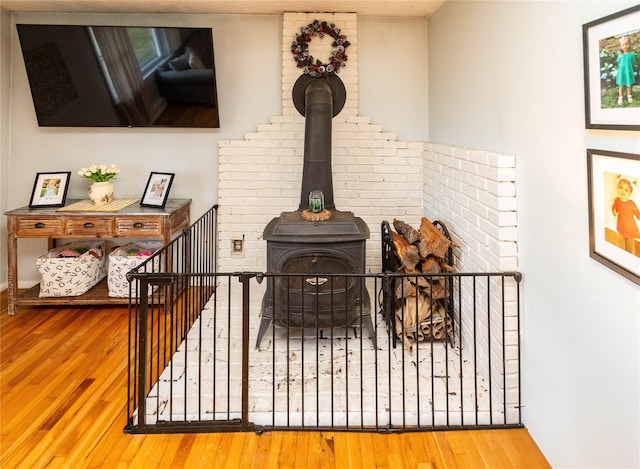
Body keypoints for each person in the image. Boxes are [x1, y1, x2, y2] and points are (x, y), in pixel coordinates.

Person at [612, 176, 640, 254]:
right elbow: (614, 207)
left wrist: (639, 216)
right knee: (622, 239)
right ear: (617, 187)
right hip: (621, 225)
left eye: (626, 190)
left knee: (631, 243)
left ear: (630, 193)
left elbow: (637, 213)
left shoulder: (631, 203)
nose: (623, 191)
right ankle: (623, 253)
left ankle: (630, 255)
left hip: (630, 227)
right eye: (621, 187)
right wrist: (614, 212)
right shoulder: (617, 200)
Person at [616, 36, 636, 106]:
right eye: (623, 45)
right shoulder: (620, 55)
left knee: (628, 85)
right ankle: (620, 97)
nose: (625, 46)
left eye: (626, 44)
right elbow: (618, 62)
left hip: (628, 72)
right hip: (621, 73)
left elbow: (633, 62)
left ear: (629, 44)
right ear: (621, 46)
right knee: (621, 86)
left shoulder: (632, 54)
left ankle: (629, 96)